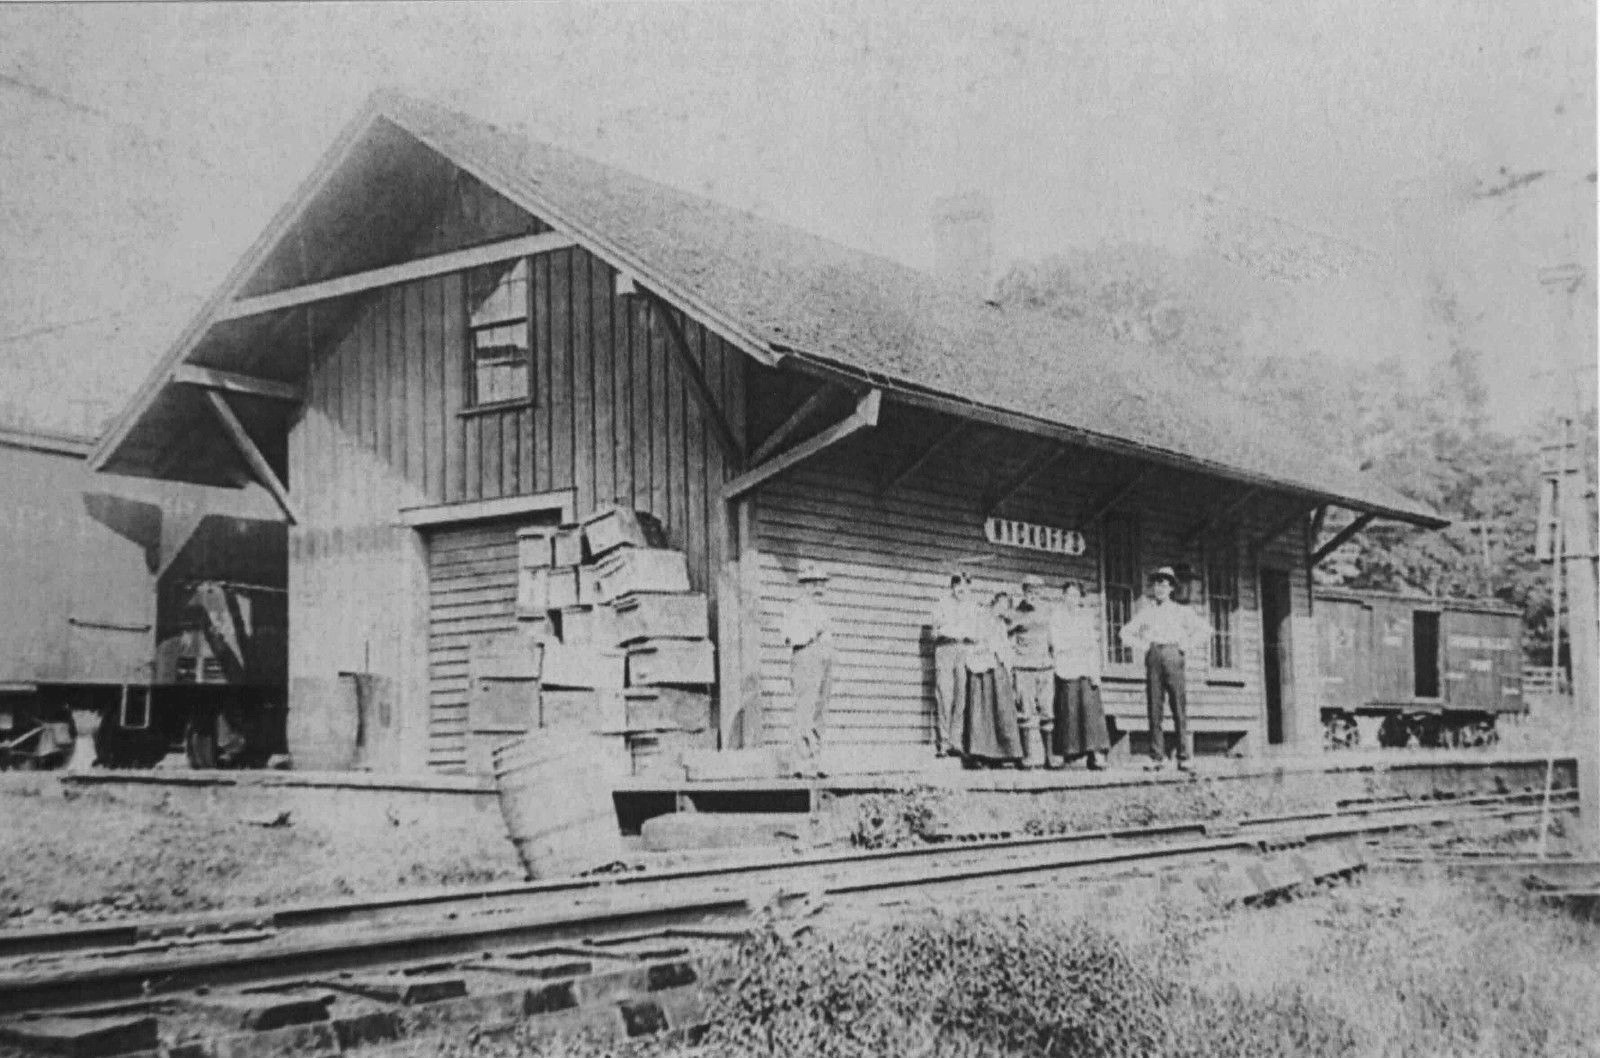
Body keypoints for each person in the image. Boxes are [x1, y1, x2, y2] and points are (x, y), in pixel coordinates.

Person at [1118, 566, 1209, 771]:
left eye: (1165, 584)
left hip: (1173, 655)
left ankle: (1184, 755)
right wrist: (1144, 646)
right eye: (1157, 583)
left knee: (1178, 706)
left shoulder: (1180, 611)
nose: (1160, 588)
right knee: (1154, 707)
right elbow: (1125, 632)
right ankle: (1157, 756)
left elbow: (1205, 630)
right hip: (1154, 657)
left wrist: (1185, 646)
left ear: (1171, 588)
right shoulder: (1147, 612)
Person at [782, 561, 835, 777]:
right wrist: (813, 632)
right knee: (805, 709)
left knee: (820, 711)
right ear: (805, 585)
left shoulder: (822, 609)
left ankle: (816, 760)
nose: (819, 589)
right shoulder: (795, 609)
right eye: (815, 584)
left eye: (822, 584)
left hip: (823, 659)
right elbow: (789, 636)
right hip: (805, 658)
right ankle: (801, 762)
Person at [1049, 579, 1109, 769]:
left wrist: (1095, 672)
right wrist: (1071, 646)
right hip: (1066, 668)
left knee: (1090, 712)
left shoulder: (1085, 618)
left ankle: (1096, 754)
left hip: (1085, 667)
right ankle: (1066, 753)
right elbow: (1056, 643)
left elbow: (1091, 644)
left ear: (1080, 598)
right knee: (1068, 711)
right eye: (1068, 595)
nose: (1071, 599)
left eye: (1075, 595)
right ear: (1063, 597)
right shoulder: (1057, 617)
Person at [961, 590, 1025, 768]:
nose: (1003, 609)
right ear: (994, 603)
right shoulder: (980, 617)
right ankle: (980, 753)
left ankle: (1003, 754)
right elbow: (973, 640)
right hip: (981, 668)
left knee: (1002, 709)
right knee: (981, 710)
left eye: (1006, 607)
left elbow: (1004, 647)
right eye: (1001, 604)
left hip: (998, 667)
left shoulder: (1001, 624)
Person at [1008, 573, 1056, 768]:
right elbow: (1006, 640)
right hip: (1023, 667)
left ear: (1041, 593)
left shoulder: (1048, 613)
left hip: (1044, 667)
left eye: (1036, 591)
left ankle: (1050, 756)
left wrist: (1053, 660)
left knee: (1047, 711)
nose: (1032, 595)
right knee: (1025, 712)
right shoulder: (1015, 613)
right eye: (1029, 591)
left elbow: (1053, 639)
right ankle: (1027, 756)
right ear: (1023, 592)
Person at [929, 571, 978, 757]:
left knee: (961, 696)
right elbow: (935, 632)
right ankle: (943, 741)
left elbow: (973, 631)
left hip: (962, 649)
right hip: (945, 648)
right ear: (953, 586)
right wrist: (947, 629)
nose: (962, 591)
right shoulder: (942, 604)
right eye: (959, 587)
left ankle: (955, 741)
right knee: (945, 694)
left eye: (965, 588)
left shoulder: (971, 607)